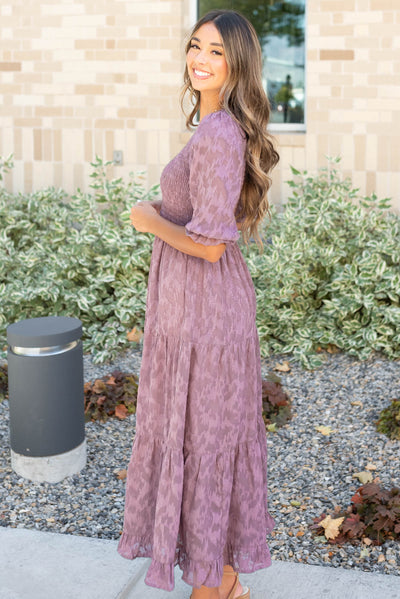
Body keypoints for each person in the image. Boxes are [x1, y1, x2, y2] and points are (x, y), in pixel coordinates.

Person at [117, 9, 279, 599]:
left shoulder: (217, 135)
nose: (200, 59)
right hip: (196, 311)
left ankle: (211, 587)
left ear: (237, 63)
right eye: (195, 46)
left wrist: (148, 219)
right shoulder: (215, 127)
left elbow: (210, 248)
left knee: (207, 439)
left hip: (205, 311)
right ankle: (226, 581)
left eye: (215, 50)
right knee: (207, 435)